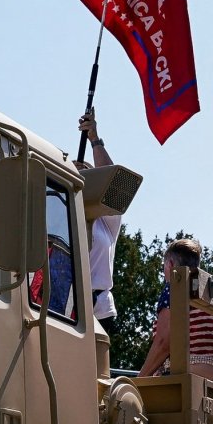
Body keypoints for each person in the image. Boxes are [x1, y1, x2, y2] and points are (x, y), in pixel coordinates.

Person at [139, 237, 213, 382]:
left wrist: (138, 381)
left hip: (185, 380)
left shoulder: (176, 286)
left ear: (170, 265)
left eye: (164, 267)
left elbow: (163, 342)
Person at [77, 108, 122, 329]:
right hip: (65, 303)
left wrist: (94, 140)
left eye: (88, 175)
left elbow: (112, 183)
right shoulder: (58, 217)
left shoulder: (106, 221)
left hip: (100, 310)